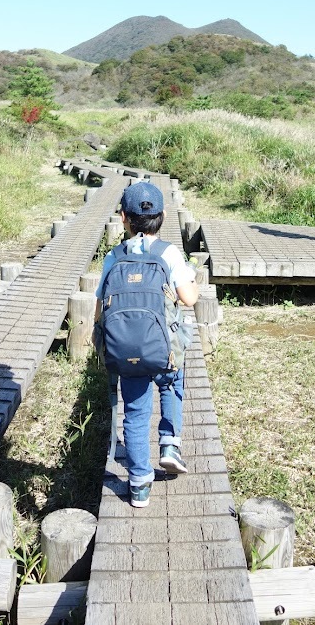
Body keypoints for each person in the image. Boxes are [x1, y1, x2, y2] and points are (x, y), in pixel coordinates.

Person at [95, 181, 199, 508]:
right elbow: (189, 298)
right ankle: (169, 444)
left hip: (126, 351)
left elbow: (100, 310)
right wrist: (190, 277)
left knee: (136, 413)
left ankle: (139, 483)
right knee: (171, 384)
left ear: (123, 218)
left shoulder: (113, 257)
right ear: (163, 216)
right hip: (163, 348)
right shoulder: (168, 253)